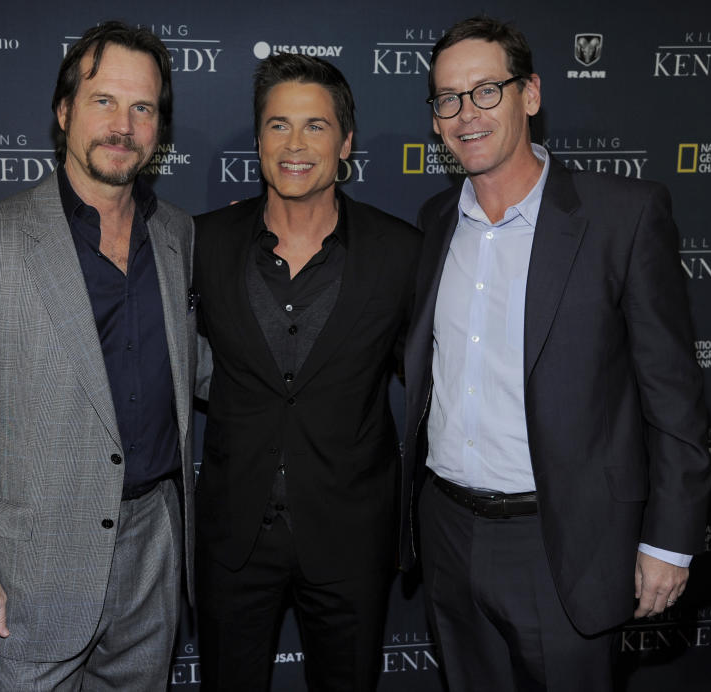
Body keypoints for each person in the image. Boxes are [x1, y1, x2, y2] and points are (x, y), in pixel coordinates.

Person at [400, 16, 711, 691]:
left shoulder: (622, 216)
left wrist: (668, 540)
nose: (466, 114)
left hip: (563, 541)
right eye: (447, 99)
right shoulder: (432, 224)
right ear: (434, 119)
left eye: (486, 91)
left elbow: (673, 395)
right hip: (449, 532)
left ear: (530, 95)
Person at [0, 21, 197, 691]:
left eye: (143, 107)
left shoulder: (179, 236)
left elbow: (197, 364)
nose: (122, 124)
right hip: (25, 578)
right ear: (64, 111)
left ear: (159, 126)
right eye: (103, 101)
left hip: (151, 559)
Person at [192, 53, 421, 692]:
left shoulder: (401, 251)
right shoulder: (200, 243)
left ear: (345, 143)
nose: (295, 145)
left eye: (315, 127)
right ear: (258, 138)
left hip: (351, 538)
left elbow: (437, 380)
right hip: (233, 539)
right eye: (278, 125)